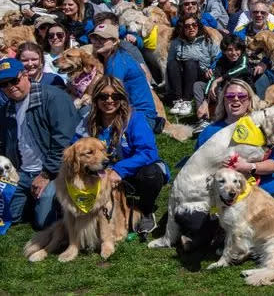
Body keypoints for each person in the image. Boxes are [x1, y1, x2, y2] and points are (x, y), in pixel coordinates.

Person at [73, 76, 167, 235]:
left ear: (122, 98)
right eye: (103, 96)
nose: (109, 100)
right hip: (100, 175)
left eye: (115, 96)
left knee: (151, 174)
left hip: (132, 174)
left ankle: (145, 210)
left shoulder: (135, 119)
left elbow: (148, 152)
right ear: (96, 99)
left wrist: (120, 170)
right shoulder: (87, 121)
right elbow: (75, 148)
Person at [0, 58, 82, 229]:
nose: (10, 87)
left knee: (42, 223)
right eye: (3, 84)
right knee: (9, 216)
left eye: (14, 81)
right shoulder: (6, 109)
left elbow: (63, 142)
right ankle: (35, 199)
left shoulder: (54, 98)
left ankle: (54, 199)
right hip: (21, 172)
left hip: (55, 170)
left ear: (26, 75)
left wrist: (46, 175)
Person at [89, 23, 159, 132]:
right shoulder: (110, 57)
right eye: (94, 38)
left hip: (141, 118)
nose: (97, 42)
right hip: (131, 112)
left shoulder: (117, 62)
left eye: (102, 39)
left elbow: (111, 95)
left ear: (115, 41)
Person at [166, 15, 219, 117]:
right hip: (182, 75)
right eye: (187, 26)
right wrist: (168, 89)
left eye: (194, 25)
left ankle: (187, 100)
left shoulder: (207, 40)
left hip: (201, 73)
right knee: (172, 63)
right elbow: (169, 64)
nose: (191, 28)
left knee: (190, 63)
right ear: (183, 28)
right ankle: (178, 100)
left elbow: (217, 57)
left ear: (198, 26)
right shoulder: (176, 43)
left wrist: (212, 69)